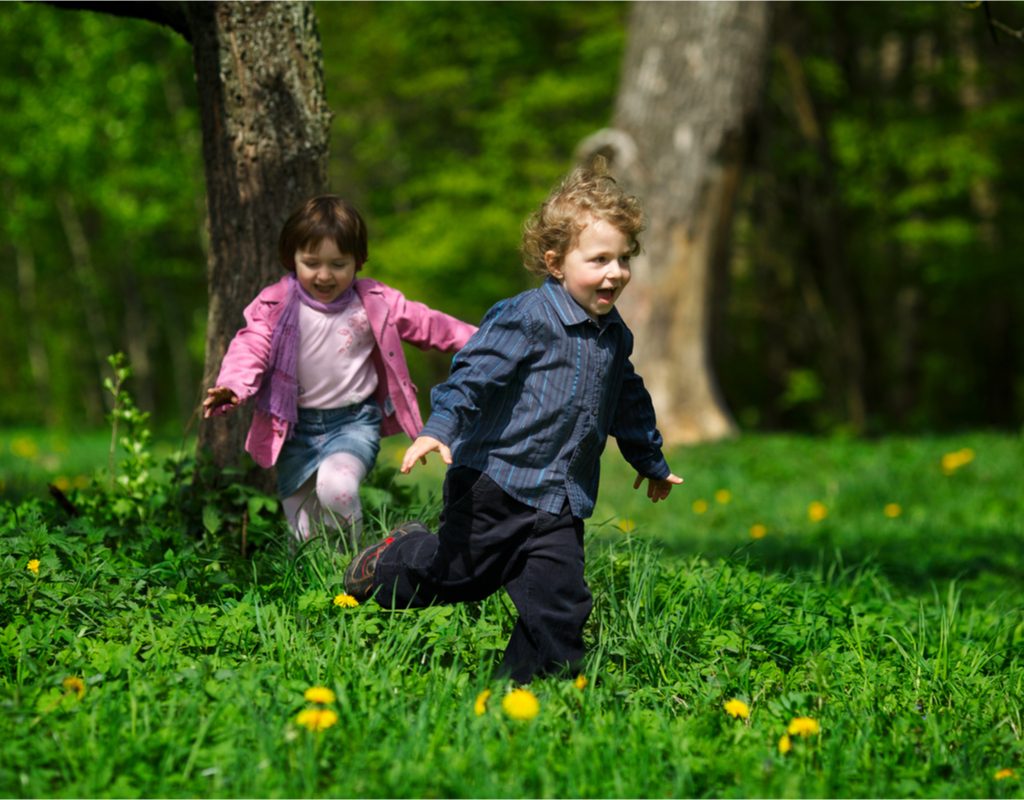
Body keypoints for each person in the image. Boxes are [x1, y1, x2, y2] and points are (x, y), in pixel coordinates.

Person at [343, 163, 683, 683]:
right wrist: (439, 428)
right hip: (494, 483)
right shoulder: (524, 317)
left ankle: (524, 696)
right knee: (457, 578)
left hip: (560, 498)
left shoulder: (615, 335)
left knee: (560, 604)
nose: (614, 272)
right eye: (598, 260)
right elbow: (473, 376)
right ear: (555, 262)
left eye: (622, 259)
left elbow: (627, 399)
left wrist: (649, 458)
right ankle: (390, 560)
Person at [203, 195, 477, 547]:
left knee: (337, 489)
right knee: (302, 535)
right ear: (292, 259)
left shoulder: (373, 302)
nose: (324, 275)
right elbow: (250, 345)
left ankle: (355, 568)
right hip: (293, 427)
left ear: (357, 262)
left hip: (353, 423)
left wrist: (484, 339)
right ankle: (315, 586)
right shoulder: (276, 304)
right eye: (311, 262)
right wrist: (232, 387)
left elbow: (429, 325)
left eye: (338, 264)